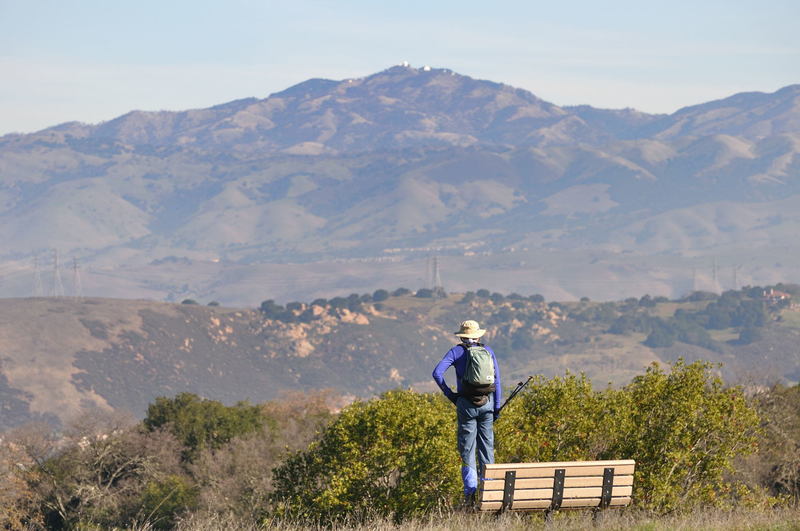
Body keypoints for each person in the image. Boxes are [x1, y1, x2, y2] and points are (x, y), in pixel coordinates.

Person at [432, 319, 502, 505]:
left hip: (465, 405)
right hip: (487, 404)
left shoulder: (457, 351)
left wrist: (451, 396)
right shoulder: (488, 351)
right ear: (478, 335)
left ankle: (470, 493)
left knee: (467, 450)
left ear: (462, 336)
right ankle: (490, 491)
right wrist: (495, 408)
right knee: (487, 449)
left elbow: (437, 373)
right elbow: (497, 381)